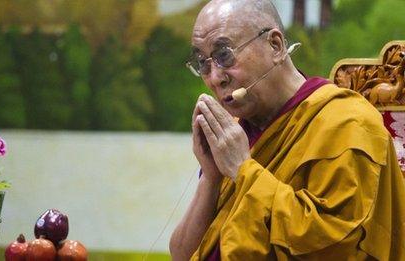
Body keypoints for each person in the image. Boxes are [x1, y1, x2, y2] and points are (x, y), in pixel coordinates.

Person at [169, 0, 405, 260]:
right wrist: (212, 179)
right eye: (203, 63)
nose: (215, 78)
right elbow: (182, 254)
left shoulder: (347, 123)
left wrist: (242, 170)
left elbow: (335, 245)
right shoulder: (234, 137)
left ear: (276, 45)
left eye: (224, 55)